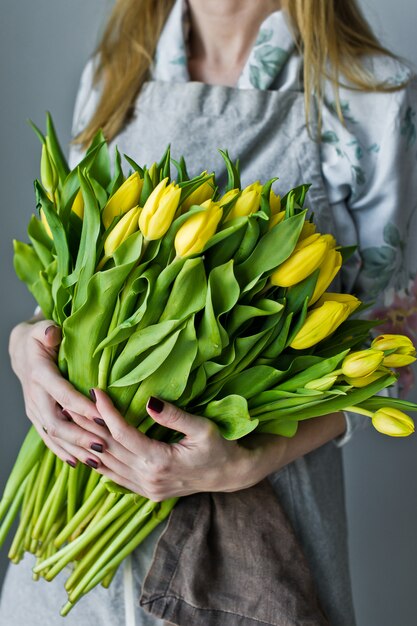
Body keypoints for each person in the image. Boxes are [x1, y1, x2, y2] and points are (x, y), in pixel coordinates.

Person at [1, 0, 416, 624]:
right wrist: (24, 348)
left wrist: (247, 461)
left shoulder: (371, 97)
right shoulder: (115, 75)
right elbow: (71, 287)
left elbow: (396, 344)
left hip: (256, 554)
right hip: (66, 544)